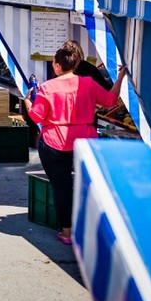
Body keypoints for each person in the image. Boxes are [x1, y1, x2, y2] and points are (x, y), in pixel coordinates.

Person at [24, 40, 126, 245]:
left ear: (58, 65)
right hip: (86, 140)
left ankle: (68, 233)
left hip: (55, 142)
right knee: (89, 185)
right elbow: (110, 101)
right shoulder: (88, 83)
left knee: (61, 187)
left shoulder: (47, 88)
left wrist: (28, 102)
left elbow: (36, 117)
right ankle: (94, 228)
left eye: (54, 62)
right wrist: (121, 76)